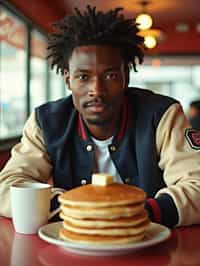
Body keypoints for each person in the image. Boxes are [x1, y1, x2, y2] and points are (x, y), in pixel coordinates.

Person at [0, 5, 200, 228]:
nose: (96, 89)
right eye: (83, 77)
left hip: (153, 246)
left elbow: (197, 184)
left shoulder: (163, 115)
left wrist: (138, 214)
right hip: (71, 248)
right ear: (68, 81)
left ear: (126, 77)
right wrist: (71, 207)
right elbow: (8, 186)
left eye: (111, 75)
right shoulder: (45, 122)